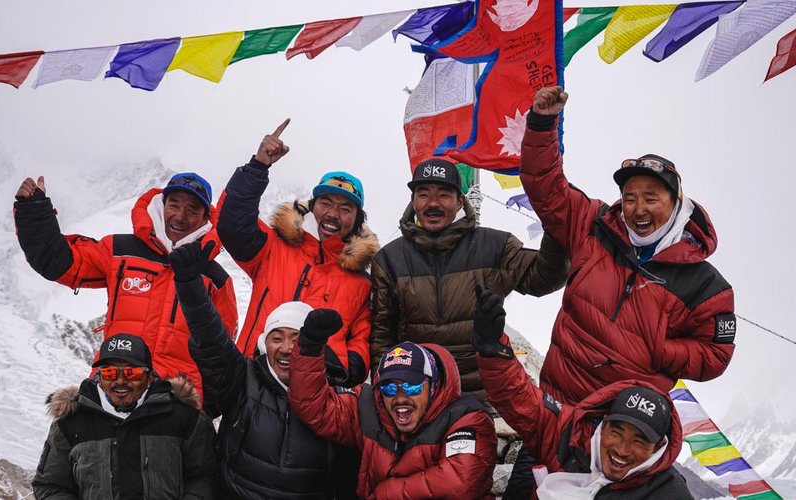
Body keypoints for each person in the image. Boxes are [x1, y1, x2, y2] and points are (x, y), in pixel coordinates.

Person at [519, 86, 736, 406]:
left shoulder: (706, 285)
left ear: (676, 203)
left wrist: (659, 349)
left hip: (623, 426)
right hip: (555, 409)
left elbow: (715, 355)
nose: (638, 209)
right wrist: (540, 125)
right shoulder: (593, 224)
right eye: (630, 198)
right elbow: (545, 187)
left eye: (651, 198)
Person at [14, 172, 238, 402]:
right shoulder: (120, 251)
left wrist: (204, 410)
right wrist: (34, 212)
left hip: (176, 406)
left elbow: (221, 356)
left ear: (205, 219)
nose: (180, 216)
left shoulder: (217, 280)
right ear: (162, 205)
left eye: (192, 210)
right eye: (174, 204)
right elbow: (59, 261)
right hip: (113, 389)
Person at [369, 157, 569, 401]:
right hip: (416, 396)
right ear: (413, 201)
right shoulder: (389, 259)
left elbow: (544, 279)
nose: (433, 203)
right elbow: (382, 337)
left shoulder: (496, 246)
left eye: (444, 194)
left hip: (482, 397)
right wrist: (384, 393)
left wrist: (555, 225)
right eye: (423, 194)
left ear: (460, 201)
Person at [472, 290, 692, 499]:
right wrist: (494, 350)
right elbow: (521, 400)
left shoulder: (668, 492)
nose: (622, 450)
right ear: (602, 424)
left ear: (659, 448)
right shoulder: (570, 434)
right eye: (616, 432)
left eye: (639, 442)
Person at [169, 240, 341, 499]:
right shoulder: (243, 378)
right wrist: (190, 286)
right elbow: (212, 340)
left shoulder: (334, 395)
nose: (285, 348)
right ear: (264, 343)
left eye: (296, 339)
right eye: (276, 338)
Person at [217, 119, 379, 386]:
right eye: (326, 202)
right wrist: (258, 166)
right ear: (312, 207)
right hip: (253, 379)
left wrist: (345, 369)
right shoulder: (273, 247)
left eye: (345, 208)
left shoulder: (361, 282)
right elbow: (232, 224)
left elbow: (362, 339)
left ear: (357, 219)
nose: (332, 214)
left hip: (319, 390)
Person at [288, 311, 497, 500]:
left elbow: (460, 483)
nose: (400, 398)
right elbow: (315, 408)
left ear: (432, 385)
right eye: (389, 388)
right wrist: (310, 347)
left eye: (411, 387)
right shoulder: (370, 407)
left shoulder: (465, 418)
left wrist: (385, 493)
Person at [32, 333, 217, 499]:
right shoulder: (70, 424)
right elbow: (50, 486)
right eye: (110, 373)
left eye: (132, 373)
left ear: (149, 377)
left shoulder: (185, 419)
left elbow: (206, 476)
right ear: (99, 377)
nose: (120, 381)